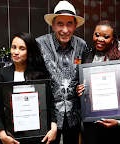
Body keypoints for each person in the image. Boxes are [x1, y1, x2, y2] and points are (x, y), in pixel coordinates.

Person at [0, 32, 57, 144]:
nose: (16, 52)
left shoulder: (39, 75)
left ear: (29, 53)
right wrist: (2, 134)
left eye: (21, 49)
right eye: (14, 47)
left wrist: (53, 128)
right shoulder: (1, 75)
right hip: (10, 137)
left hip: (36, 135)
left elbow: (50, 105)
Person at [76, 20, 120, 144]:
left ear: (113, 39)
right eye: (97, 35)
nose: (100, 39)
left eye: (106, 36)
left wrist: (119, 121)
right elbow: (82, 84)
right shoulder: (86, 56)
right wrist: (79, 89)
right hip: (92, 119)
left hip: (116, 120)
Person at [36, 1, 87, 144]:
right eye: (60, 24)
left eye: (69, 24)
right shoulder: (40, 44)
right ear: (53, 25)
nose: (65, 30)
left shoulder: (82, 45)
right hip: (49, 113)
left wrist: (84, 85)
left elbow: (86, 72)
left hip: (74, 113)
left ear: (75, 25)